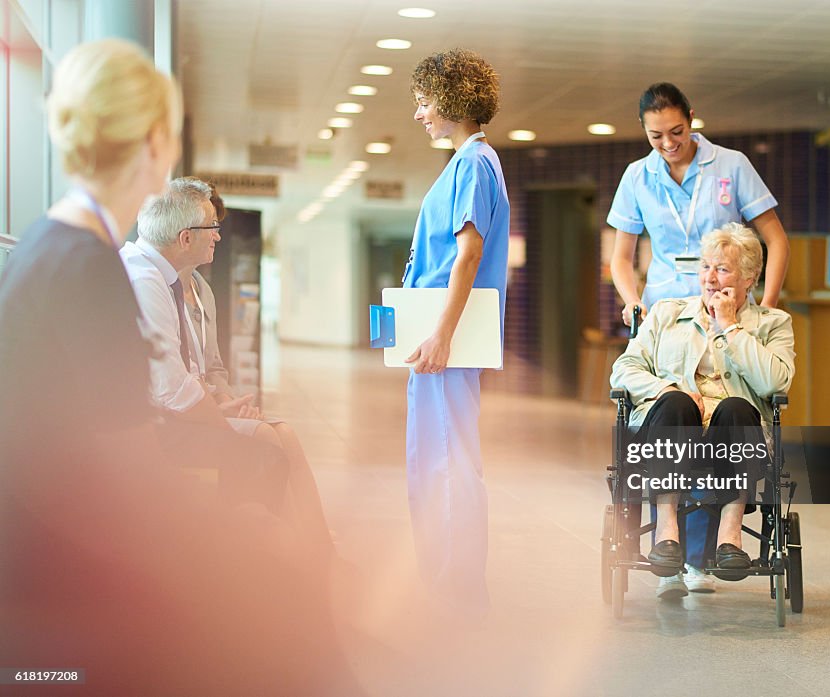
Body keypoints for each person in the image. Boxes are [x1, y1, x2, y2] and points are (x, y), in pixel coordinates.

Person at [0, 39, 348, 695]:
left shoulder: (51, 247)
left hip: (35, 542)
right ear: (154, 144)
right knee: (282, 603)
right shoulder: (88, 267)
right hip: (52, 574)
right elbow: (128, 476)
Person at [607, 82, 791, 597]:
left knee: (728, 409)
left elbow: (774, 238)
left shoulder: (730, 166)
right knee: (675, 409)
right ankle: (677, 550)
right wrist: (632, 300)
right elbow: (622, 257)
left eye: (677, 132)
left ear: (693, 119)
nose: (667, 143)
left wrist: (764, 307)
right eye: (654, 136)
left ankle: (702, 556)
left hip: (731, 306)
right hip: (668, 311)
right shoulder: (637, 176)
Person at [124, 176, 333, 554]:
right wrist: (222, 417)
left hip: (176, 410)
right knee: (265, 441)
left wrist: (221, 400)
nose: (218, 236)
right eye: (212, 228)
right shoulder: (144, 280)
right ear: (185, 238)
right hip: (150, 424)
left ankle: (309, 542)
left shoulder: (175, 282)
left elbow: (200, 370)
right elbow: (171, 387)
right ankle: (266, 553)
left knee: (280, 432)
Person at [403, 48, 510, 613]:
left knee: (446, 459)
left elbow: (467, 254)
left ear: (449, 101)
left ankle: (456, 587)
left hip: (446, 343)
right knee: (441, 455)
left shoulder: (472, 163)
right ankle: (452, 583)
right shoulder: (472, 162)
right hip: (438, 341)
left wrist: (442, 333)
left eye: (423, 102)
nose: (419, 114)